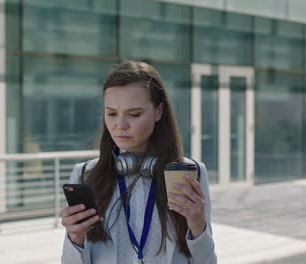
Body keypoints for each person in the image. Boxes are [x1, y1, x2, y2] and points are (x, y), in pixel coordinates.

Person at [60, 61, 217, 264]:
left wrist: (198, 226)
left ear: (159, 112)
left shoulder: (191, 172)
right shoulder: (85, 174)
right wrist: (75, 238)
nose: (120, 125)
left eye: (134, 114)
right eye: (111, 113)